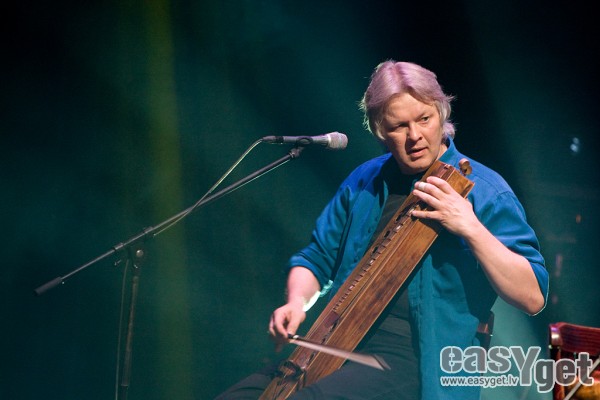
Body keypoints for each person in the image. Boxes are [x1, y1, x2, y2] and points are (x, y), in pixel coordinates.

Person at [216, 60, 549, 400]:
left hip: (417, 362)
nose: (415, 136)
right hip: (333, 344)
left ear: (442, 113)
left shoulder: (486, 190)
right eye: (399, 126)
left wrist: (470, 227)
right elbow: (317, 258)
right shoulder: (364, 181)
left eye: (424, 119)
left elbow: (532, 296)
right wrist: (296, 303)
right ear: (379, 131)